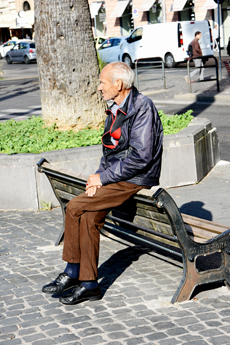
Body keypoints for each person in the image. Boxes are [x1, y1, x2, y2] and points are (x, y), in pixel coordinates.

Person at [42, 61, 163, 305]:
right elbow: (109, 152)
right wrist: (98, 178)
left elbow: (142, 157)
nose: (99, 88)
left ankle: (72, 273)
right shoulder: (116, 108)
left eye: (102, 82)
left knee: (75, 207)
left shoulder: (142, 107)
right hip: (118, 177)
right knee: (88, 217)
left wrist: (103, 178)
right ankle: (90, 285)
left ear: (119, 84)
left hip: (135, 178)